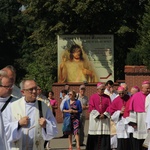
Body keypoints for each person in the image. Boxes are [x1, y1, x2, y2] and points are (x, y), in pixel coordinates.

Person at [3, 79, 58, 150]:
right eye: (31, 89)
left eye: (35, 88)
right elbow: (4, 130)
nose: (34, 91)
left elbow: (54, 130)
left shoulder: (43, 107)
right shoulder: (12, 106)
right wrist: (18, 124)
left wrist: (46, 125)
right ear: (23, 92)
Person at [86, 82, 111, 150]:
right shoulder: (93, 97)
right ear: (97, 89)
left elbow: (110, 107)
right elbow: (91, 107)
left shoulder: (107, 97)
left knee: (104, 136)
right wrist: (98, 115)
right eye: (101, 89)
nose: (103, 90)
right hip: (96, 120)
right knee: (94, 135)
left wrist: (104, 115)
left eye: (103, 89)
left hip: (104, 120)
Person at [128, 81, 150, 150]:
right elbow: (132, 109)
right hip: (139, 119)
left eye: (149, 88)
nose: (148, 90)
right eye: (147, 88)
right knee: (138, 140)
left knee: (147, 140)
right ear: (142, 88)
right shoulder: (136, 96)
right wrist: (133, 122)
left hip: (148, 119)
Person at [104, 80, 118, 150]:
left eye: (112, 87)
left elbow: (116, 102)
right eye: (109, 87)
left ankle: (114, 145)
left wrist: (112, 93)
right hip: (106, 114)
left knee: (114, 131)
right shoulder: (104, 93)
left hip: (114, 114)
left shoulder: (115, 93)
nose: (110, 88)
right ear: (106, 86)